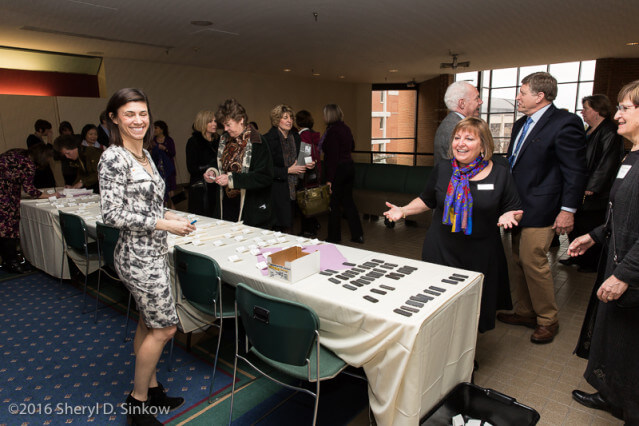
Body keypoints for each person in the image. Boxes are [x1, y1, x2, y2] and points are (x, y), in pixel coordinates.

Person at [98, 88, 195, 425]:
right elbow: (111, 214)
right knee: (166, 328)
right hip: (137, 256)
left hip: (153, 251)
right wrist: (162, 223)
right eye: (129, 114)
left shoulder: (146, 154)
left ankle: (152, 388)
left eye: (142, 113)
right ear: (114, 118)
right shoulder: (114, 156)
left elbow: (150, 204)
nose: (138, 120)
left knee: (147, 321)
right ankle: (137, 403)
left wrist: (171, 217)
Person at [384, 117, 522, 332]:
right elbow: (427, 200)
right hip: (441, 248)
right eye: (457, 138)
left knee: (473, 307)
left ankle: (464, 355)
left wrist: (510, 216)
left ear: (483, 145)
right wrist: (403, 210)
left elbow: (514, 208)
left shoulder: (500, 174)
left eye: (469, 138)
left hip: (481, 253)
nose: (460, 143)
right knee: (438, 302)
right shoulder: (444, 168)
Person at [497, 72, 588, 344]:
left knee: (533, 261)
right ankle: (525, 311)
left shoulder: (565, 123)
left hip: (544, 208)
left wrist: (568, 210)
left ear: (540, 96)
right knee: (518, 260)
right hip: (517, 206)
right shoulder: (521, 124)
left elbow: (575, 171)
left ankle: (548, 319)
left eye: (522, 92)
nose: (517, 97)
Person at [569, 80, 639, 424]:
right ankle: (614, 397)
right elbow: (623, 213)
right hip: (616, 258)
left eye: (625, 108)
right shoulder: (632, 156)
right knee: (617, 342)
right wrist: (595, 235)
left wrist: (624, 275)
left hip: (631, 273)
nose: (618, 114)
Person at [559, 95, 623, 272]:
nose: (582, 112)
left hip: (594, 193)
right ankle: (576, 255)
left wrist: (592, 187)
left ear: (597, 110)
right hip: (580, 187)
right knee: (577, 224)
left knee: (589, 226)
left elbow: (607, 163)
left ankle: (590, 262)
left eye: (585, 108)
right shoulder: (589, 130)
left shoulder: (609, 131)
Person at [203, 98, 273, 227]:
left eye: (228, 124)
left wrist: (231, 179)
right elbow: (218, 162)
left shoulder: (257, 141)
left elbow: (265, 177)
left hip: (250, 209)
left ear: (241, 120)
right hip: (226, 206)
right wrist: (212, 171)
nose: (225, 128)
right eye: (223, 125)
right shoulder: (224, 139)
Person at [0, 144, 59, 273]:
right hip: (5, 198)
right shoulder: (28, 164)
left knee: (3, 228)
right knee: (9, 229)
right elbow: (30, 190)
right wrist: (50, 196)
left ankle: (7, 260)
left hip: (4, 194)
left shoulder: (17, 152)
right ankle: (12, 262)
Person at [263, 105, 314, 233]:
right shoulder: (268, 139)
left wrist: (309, 163)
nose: (289, 120)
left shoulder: (296, 136)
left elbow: (303, 159)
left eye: (291, 117)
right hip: (276, 190)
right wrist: (288, 171)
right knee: (279, 228)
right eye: (285, 117)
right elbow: (265, 169)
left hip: (294, 189)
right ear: (276, 120)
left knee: (289, 225)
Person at [321, 104, 364, 243]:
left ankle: (334, 237)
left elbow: (332, 158)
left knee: (334, 204)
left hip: (338, 170)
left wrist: (329, 180)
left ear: (329, 115)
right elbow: (352, 146)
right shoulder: (346, 128)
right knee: (348, 202)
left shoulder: (332, 131)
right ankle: (358, 235)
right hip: (349, 167)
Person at [433, 82, 483, 165]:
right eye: (477, 98)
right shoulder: (456, 127)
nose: (481, 102)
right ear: (462, 103)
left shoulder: (452, 122)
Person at [185, 110, 219, 217]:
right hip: (201, 189)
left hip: (217, 187)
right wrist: (211, 168)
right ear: (202, 123)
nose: (214, 124)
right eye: (210, 121)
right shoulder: (194, 141)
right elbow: (192, 168)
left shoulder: (218, 141)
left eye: (215, 121)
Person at [296, 109, 322, 237]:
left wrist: (299, 172)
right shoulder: (314, 135)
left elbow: (304, 157)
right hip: (316, 173)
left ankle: (308, 230)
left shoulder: (303, 136)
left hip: (306, 174)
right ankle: (314, 225)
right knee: (313, 201)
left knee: (305, 202)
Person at [150, 120, 177, 206]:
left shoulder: (169, 140)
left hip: (169, 168)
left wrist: (164, 149)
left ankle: (173, 206)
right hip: (158, 169)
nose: (154, 130)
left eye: (156, 128)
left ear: (162, 129)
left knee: (171, 188)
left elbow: (173, 153)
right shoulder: (152, 141)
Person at [27, 119, 57, 188]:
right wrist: (49, 141)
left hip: (44, 168)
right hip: (39, 171)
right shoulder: (32, 139)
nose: (50, 132)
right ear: (40, 130)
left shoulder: (40, 139)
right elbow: (45, 153)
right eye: (48, 130)